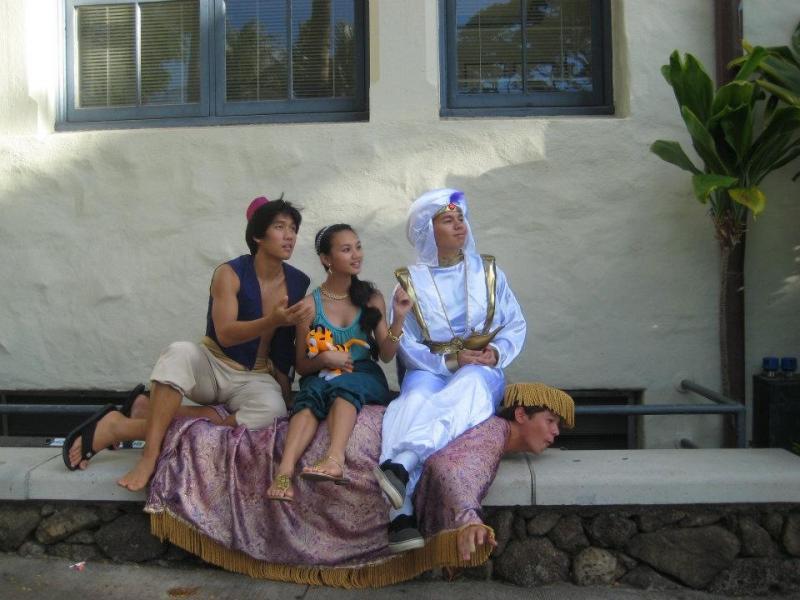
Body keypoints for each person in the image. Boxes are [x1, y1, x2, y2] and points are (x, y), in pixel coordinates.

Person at [63, 195, 313, 491]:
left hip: (255, 376)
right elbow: (226, 333)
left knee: (272, 413)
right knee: (178, 353)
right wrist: (271, 320)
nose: (289, 236)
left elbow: (283, 344)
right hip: (214, 363)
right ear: (258, 235)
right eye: (280, 227)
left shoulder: (298, 282)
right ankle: (149, 455)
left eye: (294, 229)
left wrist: (283, 388)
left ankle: (123, 425)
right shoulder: (229, 273)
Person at [373, 188, 527, 553]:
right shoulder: (408, 283)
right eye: (448, 220)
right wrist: (450, 362)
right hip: (433, 365)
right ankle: (403, 514)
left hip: (480, 368)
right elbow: (408, 346)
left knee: (471, 387)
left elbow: (514, 323)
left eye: (461, 218)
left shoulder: (489, 272)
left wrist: (496, 352)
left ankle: (403, 465)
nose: (459, 226)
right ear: (429, 231)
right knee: (413, 401)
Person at [266, 224, 412, 502]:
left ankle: (334, 458)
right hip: (320, 374)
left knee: (345, 386)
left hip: (363, 373)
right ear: (326, 259)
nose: (356, 254)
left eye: (358, 246)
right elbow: (301, 366)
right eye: (346, 249)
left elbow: (386, 353)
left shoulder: (371, 298)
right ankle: (284, 472)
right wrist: (323, 358)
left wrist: (399, 318)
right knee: (310, 396)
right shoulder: (310, 305)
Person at [416, 382, 575, 562]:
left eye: (558, 424)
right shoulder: (494, 430)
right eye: (550, 420)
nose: (556, 431)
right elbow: (451, 469)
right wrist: (468, 520)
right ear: (521, 415)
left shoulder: (496, 431)